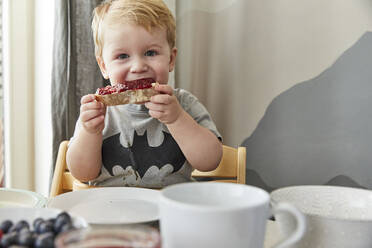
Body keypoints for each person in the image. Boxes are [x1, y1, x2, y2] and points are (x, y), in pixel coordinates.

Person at [66, 0, 222, 188]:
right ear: (104, 66)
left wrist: (177, 119)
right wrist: (90, 132)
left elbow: (210, 162)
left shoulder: (184, 104)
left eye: (150, 52)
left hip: (168, 210)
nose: (138, 67)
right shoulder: (97, 112)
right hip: (111, 210)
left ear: (171, 59)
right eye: (122, 56)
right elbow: (82, 174)